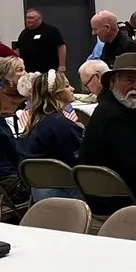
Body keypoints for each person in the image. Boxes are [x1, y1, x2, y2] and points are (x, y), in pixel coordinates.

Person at [78, 53, 136, 204]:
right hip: (112, 198)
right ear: (113, 81)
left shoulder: (131, 105)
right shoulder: (112, 113)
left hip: (121, 188)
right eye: (129, 80)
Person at [16, 70, 84, 199]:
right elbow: (80, 162)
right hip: (67, 193)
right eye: (67, 86)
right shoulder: (61, 125)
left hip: (38, 194)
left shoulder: (32, 123)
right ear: (56, 95)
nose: (73, 89)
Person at [15, 8, 66, 75]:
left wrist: (62, 66)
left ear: (39, 18)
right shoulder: (24, 34)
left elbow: (61, 47)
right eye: (27, 18)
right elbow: (18, 50)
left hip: (49, 71)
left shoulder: (51, 30)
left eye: (31, 18)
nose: (28, 20)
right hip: (29, 72)